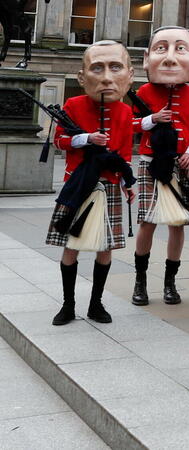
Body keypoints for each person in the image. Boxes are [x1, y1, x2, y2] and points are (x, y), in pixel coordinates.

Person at [48, 40, 136, 325]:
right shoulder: (73, 105)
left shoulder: (125, 112)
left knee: (105, 247)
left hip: (109, 186)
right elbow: (59, 140)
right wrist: (86, 139)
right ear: (83, 77)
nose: (107, 77)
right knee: (71, 245)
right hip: (79, 184)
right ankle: (68, 305)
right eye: (97, 68)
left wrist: (127, 182)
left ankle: (96, 304)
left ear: (128, 75)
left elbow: (123, 153)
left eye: (115, 68)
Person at [131, 26, 189, 306]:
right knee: (148, 222)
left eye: (180, 49)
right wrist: (152, 120)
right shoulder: (144, 91)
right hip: (152, 161)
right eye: (161, 48)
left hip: (181, 163)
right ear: (148, 57)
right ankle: (140, 282)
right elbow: (130, 124)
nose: (171, 58)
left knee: (178, 224)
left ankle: (170, 283)